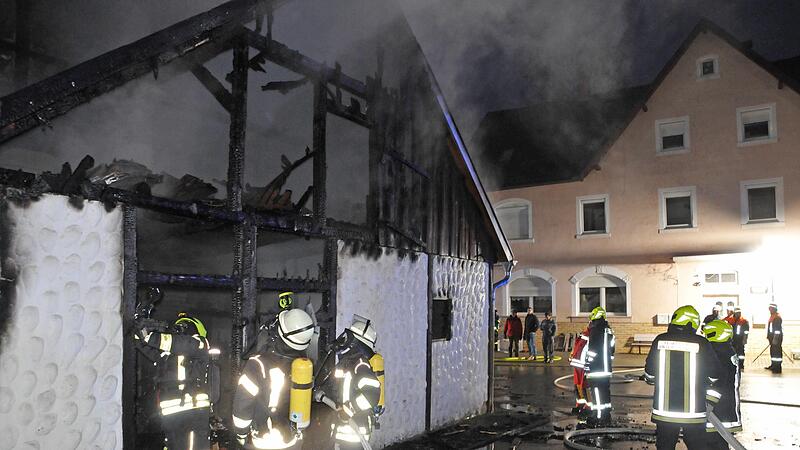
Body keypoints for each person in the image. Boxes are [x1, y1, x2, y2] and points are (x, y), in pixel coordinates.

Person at [232, 309, 315, 449]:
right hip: (292, 440)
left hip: (264, 441)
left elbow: (243, 403)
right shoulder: (304, 366)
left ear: (279, 332)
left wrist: (241, 434)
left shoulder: (258, 364)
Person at [643, 305, 721, 450]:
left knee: (665, 446)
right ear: (692, 323)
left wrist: (655, 380)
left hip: (664, 414)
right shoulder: (702, 343)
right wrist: (703, 383)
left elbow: (649, 374)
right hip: (694, 413)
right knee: (697, 445)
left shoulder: (660, 340)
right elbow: (714, 374)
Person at [135, 310, 213, 450]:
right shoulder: (170, 353)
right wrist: (138, 334)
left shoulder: (200, 344)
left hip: (192, 412)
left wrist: (150, 337)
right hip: (170, 414)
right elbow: (151, 351)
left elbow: (183, 344)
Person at [315, 316, 383, 448]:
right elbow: (336, 387)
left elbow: (372, 393)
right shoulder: (346, 364)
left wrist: (349, 409)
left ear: (356, 342)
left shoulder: (360, 365)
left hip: (356, 429)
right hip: (342, 428)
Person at [702, 320, 742, 449]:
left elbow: (718, 381)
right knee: (719, 442)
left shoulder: (720, 353)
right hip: (726, 406)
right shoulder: (726, 350)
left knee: (715, 443)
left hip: (718, 408)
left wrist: (708, 404)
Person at [583, 307, 615, 428]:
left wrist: (587, 364)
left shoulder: (595, 330)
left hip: (596, 368)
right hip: (606, 369)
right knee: (605, 392)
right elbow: (612, 349)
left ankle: (599, 417)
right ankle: (606, 415)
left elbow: (592, 350)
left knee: (596, 393)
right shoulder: (609, 330)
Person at [569, 324, 591, 415]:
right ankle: (580, 405)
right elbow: (577, 347)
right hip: (578, 364)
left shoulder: (593, 336)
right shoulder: (584, 335)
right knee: (578, 386)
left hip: (584, 366)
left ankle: (588, 407)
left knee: (585, 386)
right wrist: (572, 355)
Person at [765, 303, 783, 373]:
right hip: (772, 338)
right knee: (773, 352)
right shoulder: (772, 316)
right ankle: (773, 365)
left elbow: (777, 331)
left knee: (777, 353)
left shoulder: (777, 317)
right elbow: (770, 329)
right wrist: (769, 336)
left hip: (776, 338)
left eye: (771, 309)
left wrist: (775, 339)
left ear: (774, 309)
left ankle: (777, 367)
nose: (770, 310)